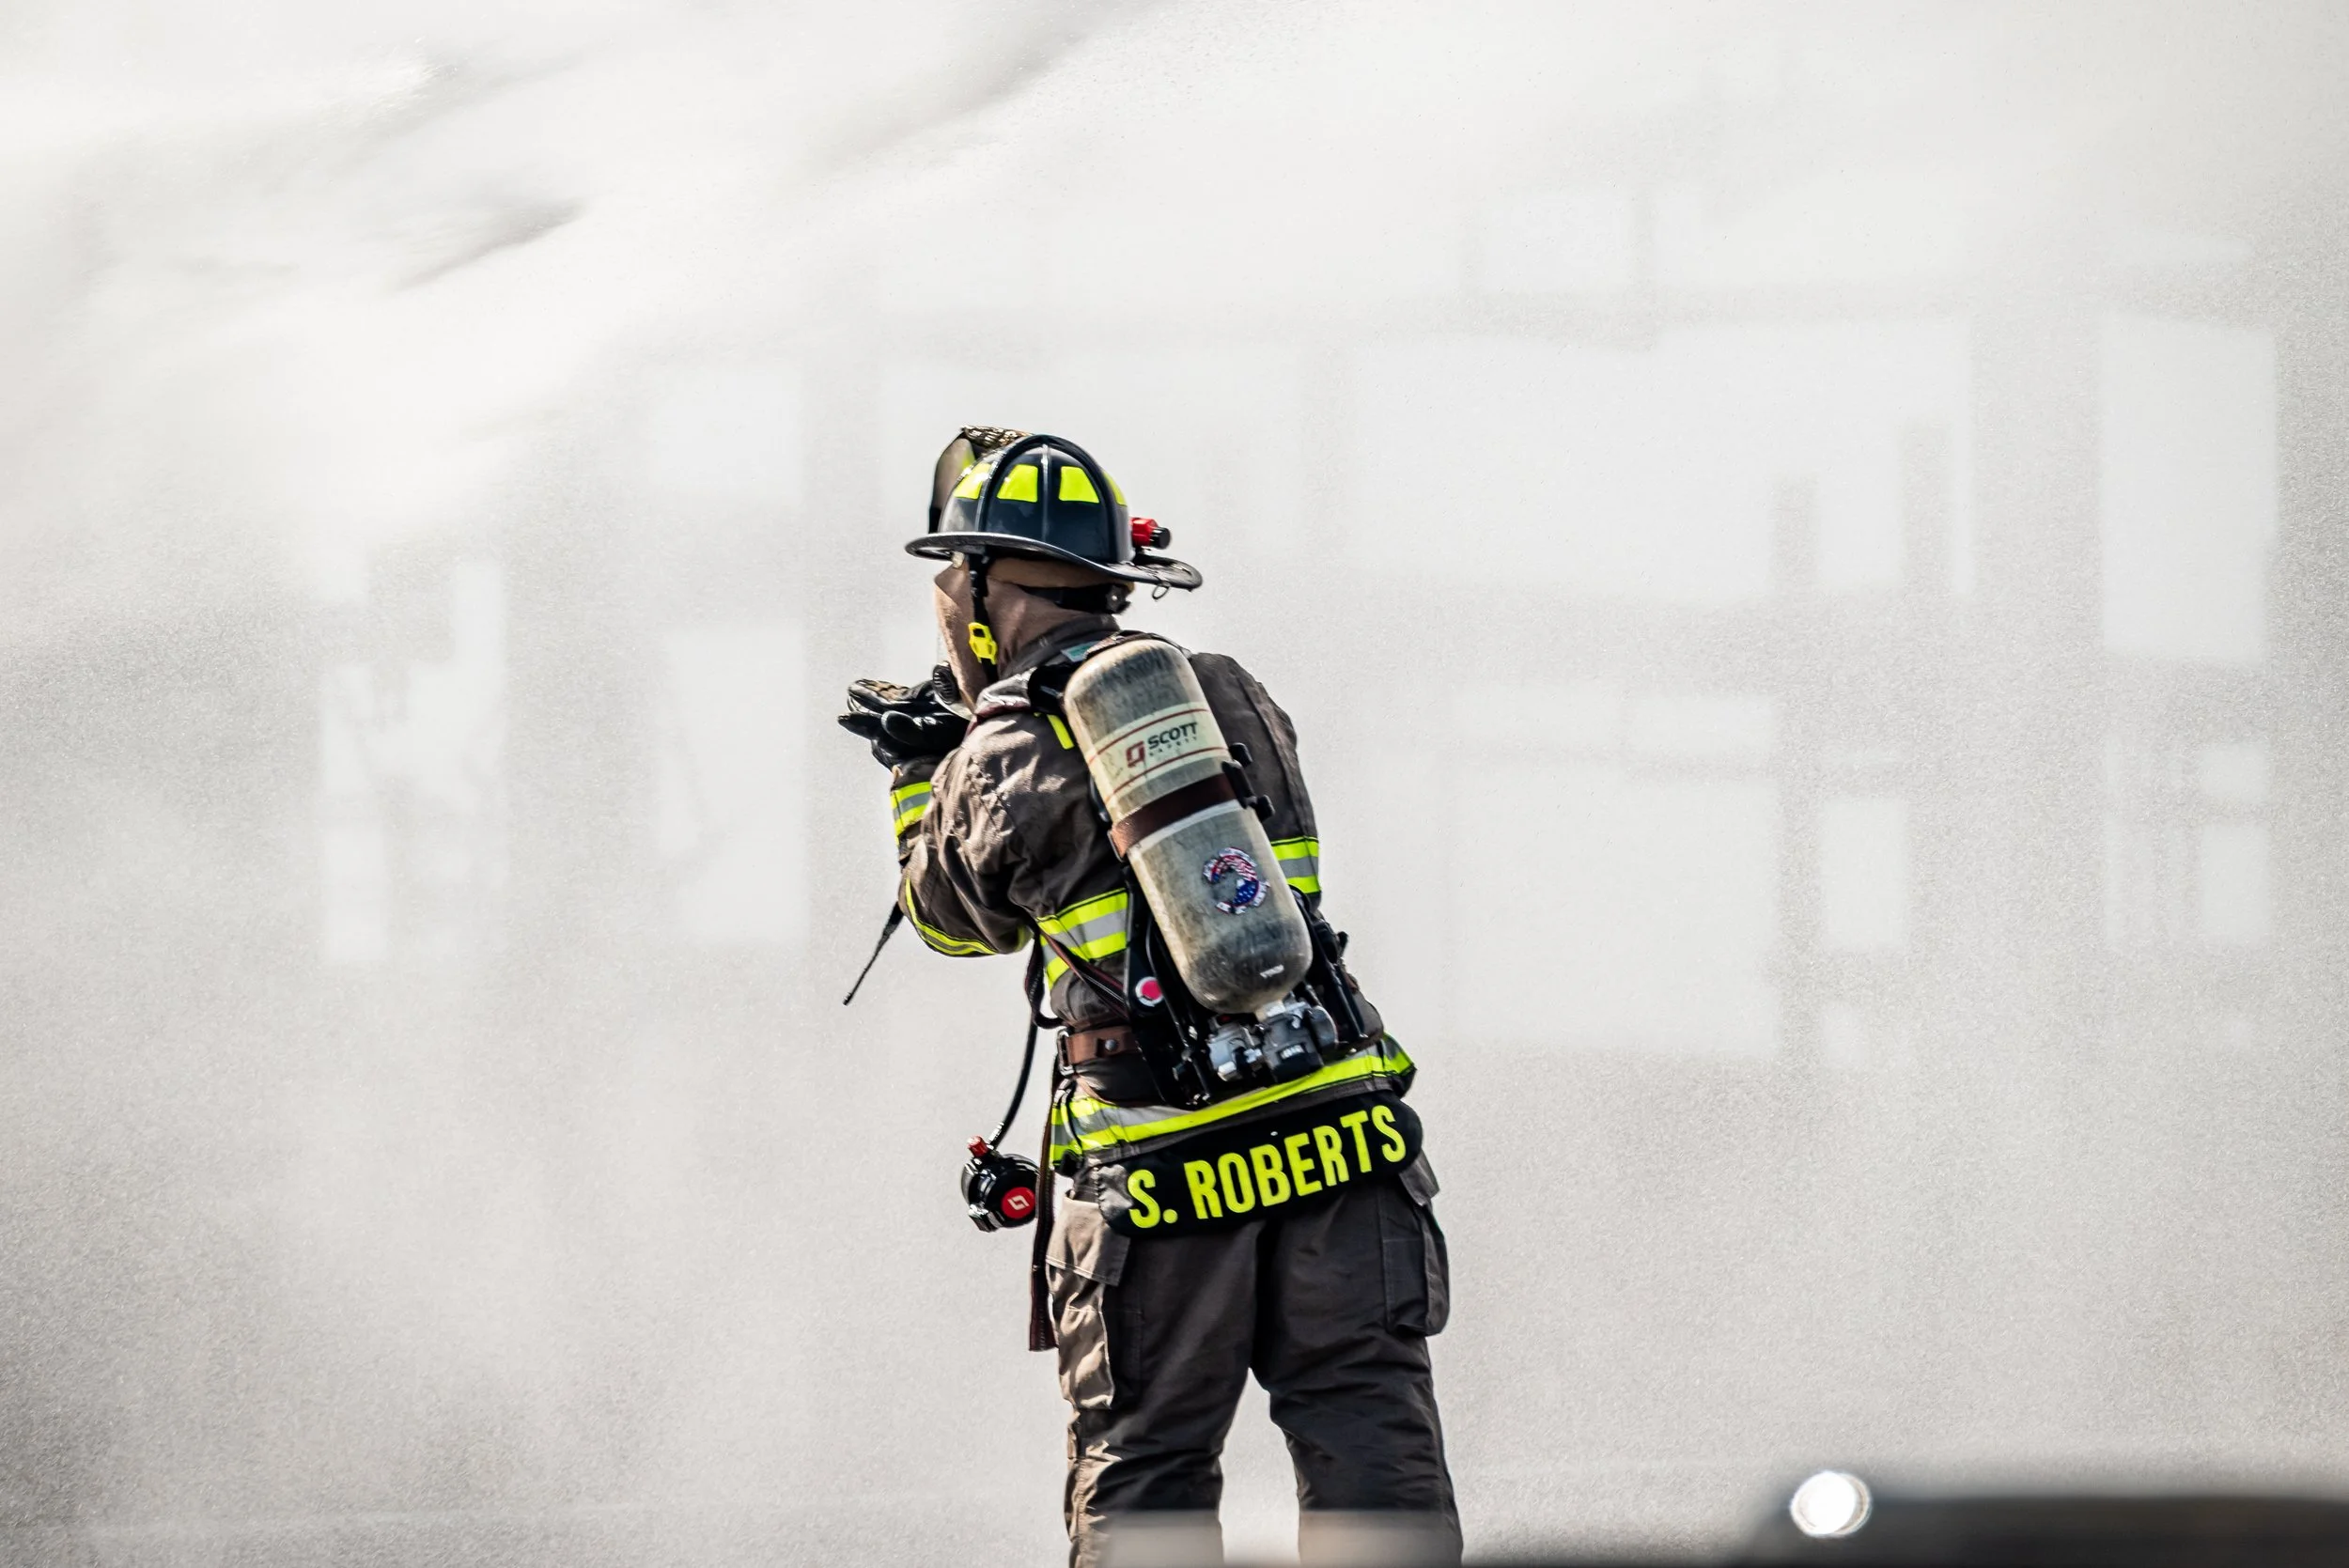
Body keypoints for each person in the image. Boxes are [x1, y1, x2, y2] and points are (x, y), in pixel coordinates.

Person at [840, 429, 1457, 1568]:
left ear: (981, 590)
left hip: (1159, 1171)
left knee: (1149, 1472)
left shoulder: (1002, 745)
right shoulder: (1234, 692)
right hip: (1341, 1134)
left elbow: (945, 920)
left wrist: (917, 770)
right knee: (1373, 1440)